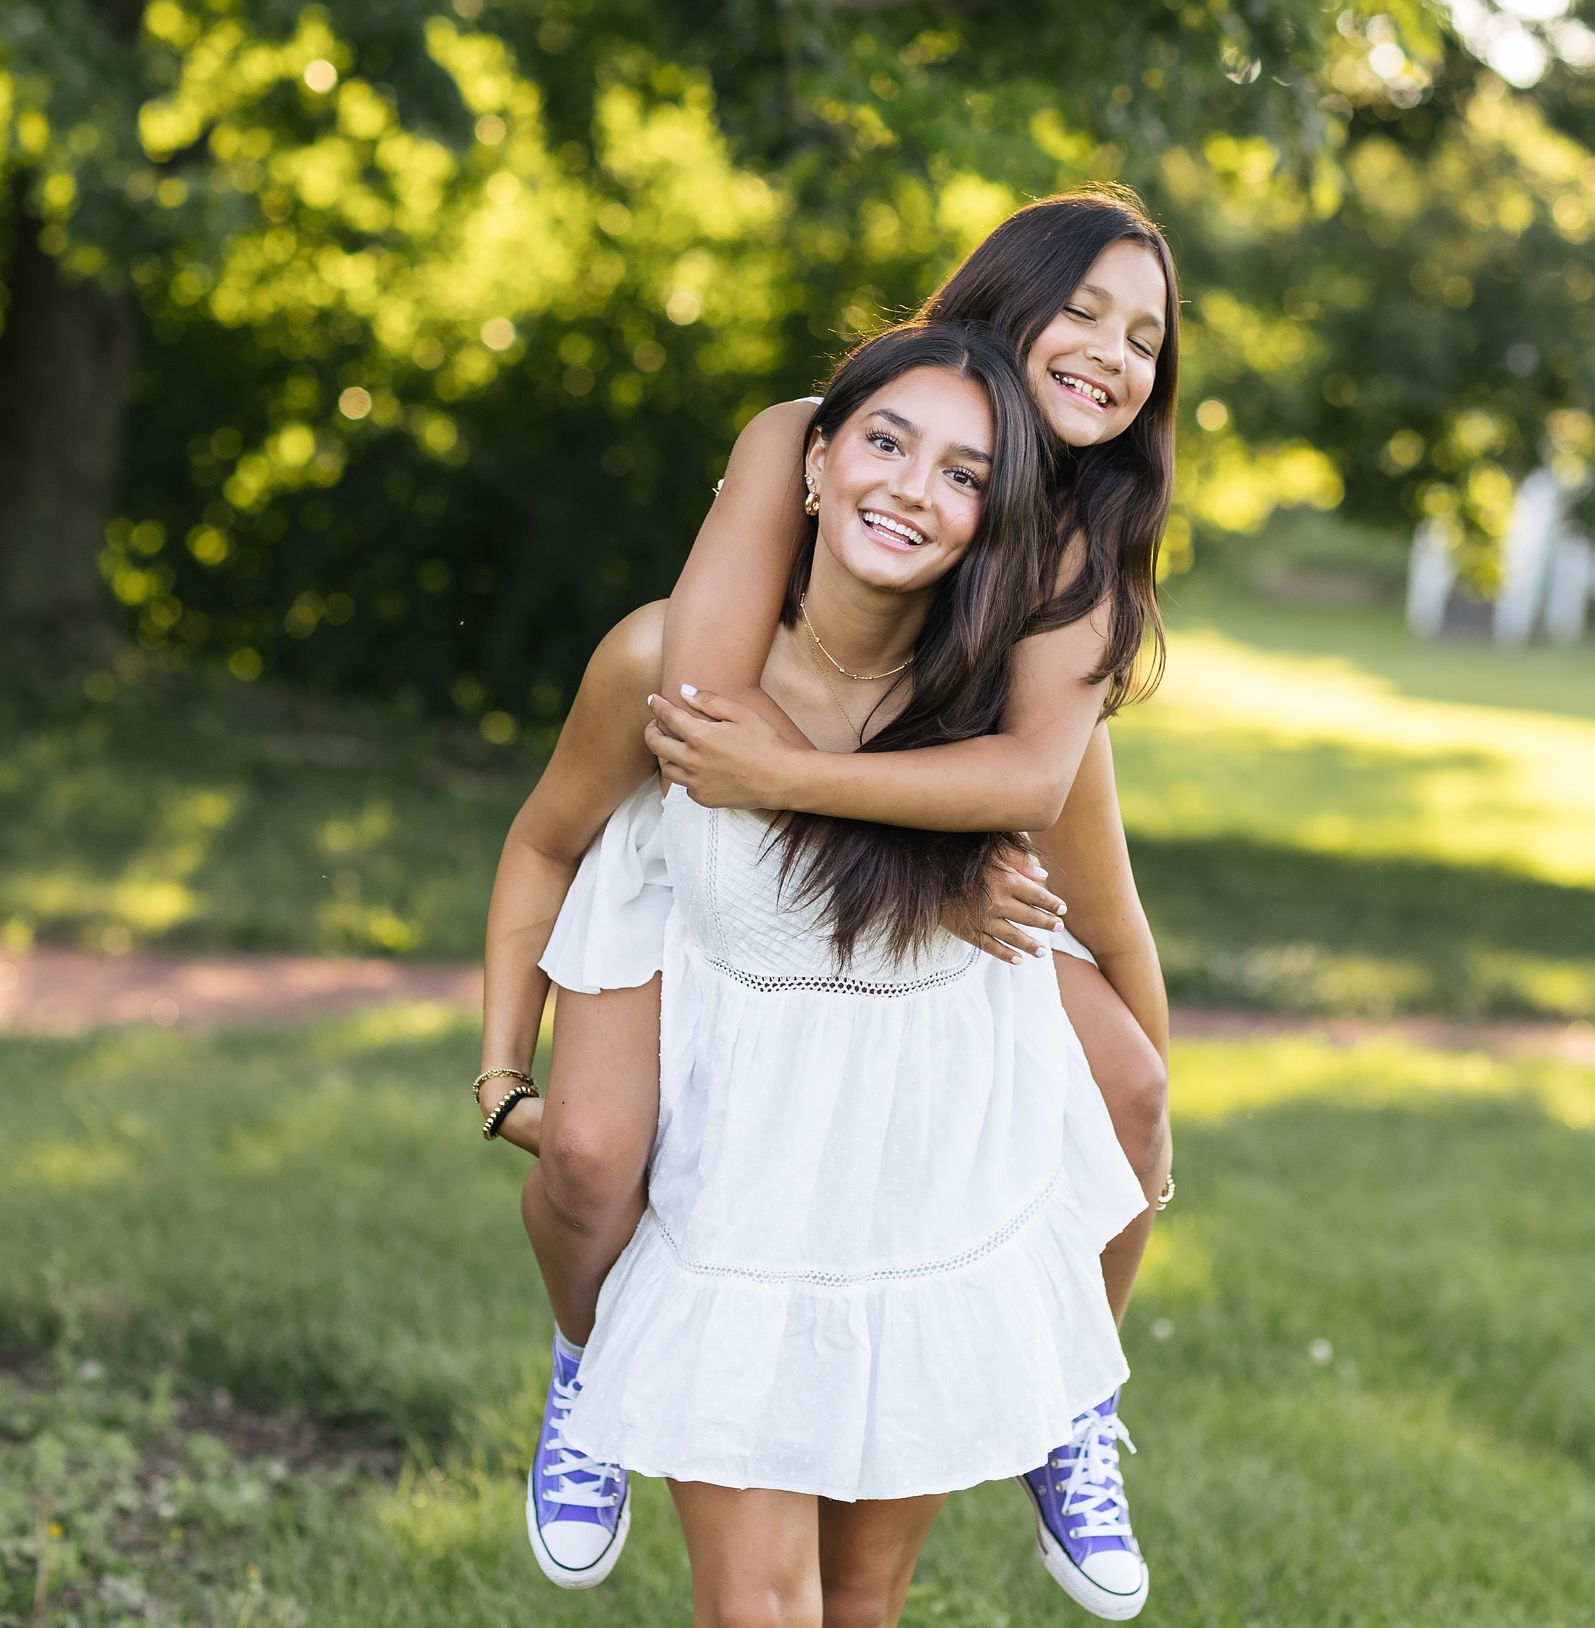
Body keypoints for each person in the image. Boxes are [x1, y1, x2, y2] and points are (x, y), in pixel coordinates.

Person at [482, 188, 1181, 1618]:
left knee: (1134, 1095)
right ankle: (592, 1361)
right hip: (722, 853)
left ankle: (1076, 1407)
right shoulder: (805, 433)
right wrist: (937, 848)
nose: (1114, 352)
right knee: (597, 1154)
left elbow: (1036, 789)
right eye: (1087, 310)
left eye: (1149, 339)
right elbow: (712, 718)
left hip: (911, 872)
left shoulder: (1069, 556)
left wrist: (966, 851)